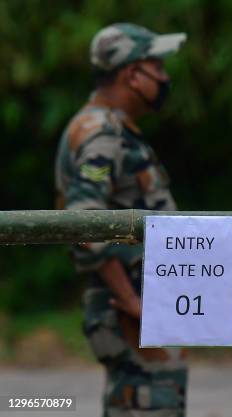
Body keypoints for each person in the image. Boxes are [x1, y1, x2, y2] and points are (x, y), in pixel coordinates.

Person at [55, 23, 188, 417]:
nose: (164, 78)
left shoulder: (112, 129)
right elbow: (83, 223)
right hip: (131, 308)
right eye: (157, 68)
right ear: (132, 74)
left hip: (144, 304)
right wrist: (133, 302)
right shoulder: (102, 134)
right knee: (150, 402)